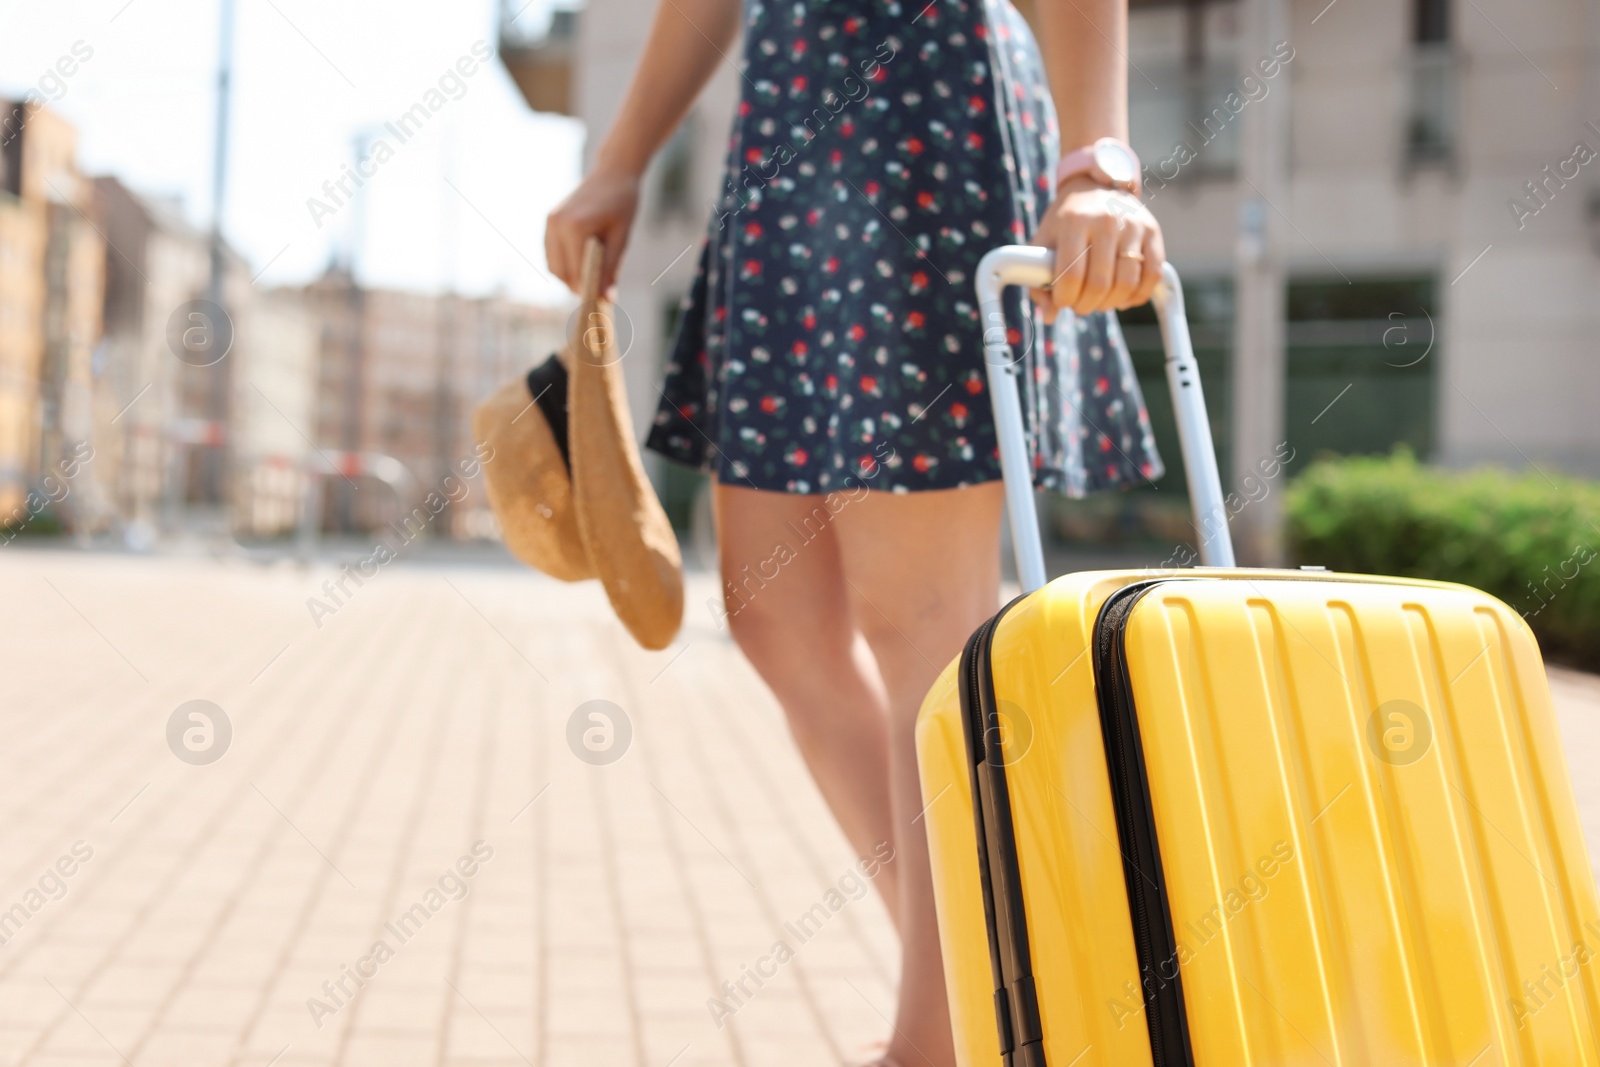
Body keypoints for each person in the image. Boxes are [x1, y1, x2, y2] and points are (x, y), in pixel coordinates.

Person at [545, 0, 1164, 1059]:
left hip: (932, 115)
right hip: (789, 141)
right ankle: (1003, 984)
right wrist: (622, 157)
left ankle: (935, 1040)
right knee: (776, 617)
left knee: (922, 625)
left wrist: (1094, 167)